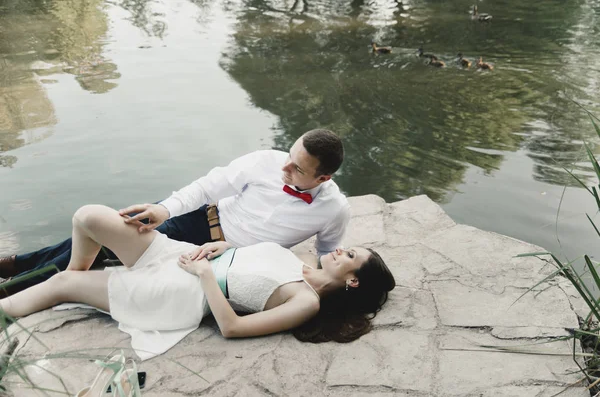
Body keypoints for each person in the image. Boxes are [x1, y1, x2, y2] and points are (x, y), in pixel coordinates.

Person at [0, 204, 396, 360]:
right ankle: (83, 276)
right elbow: (248, 258)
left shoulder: (306, 302)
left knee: (59, 285)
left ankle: (27, 302)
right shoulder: (303, 259)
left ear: (353, 282)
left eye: (350, 256)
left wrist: (206, 276)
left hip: (180, 292)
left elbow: (233, 327)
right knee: (88, 217)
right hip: (182, 255)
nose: (341, 250)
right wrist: (218, 248)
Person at [0, 129, 350, 294]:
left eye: (297, 169)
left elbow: (324, 254)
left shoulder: (333, 209)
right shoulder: (264, 161)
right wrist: (164, 209)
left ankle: (18, 270)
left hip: (229, 261)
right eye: (289, 155)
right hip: (199, 223)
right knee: (110, 237)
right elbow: (206, 187)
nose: (284, 167)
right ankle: (18, 277)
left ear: (323, 177)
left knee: (110, 253)